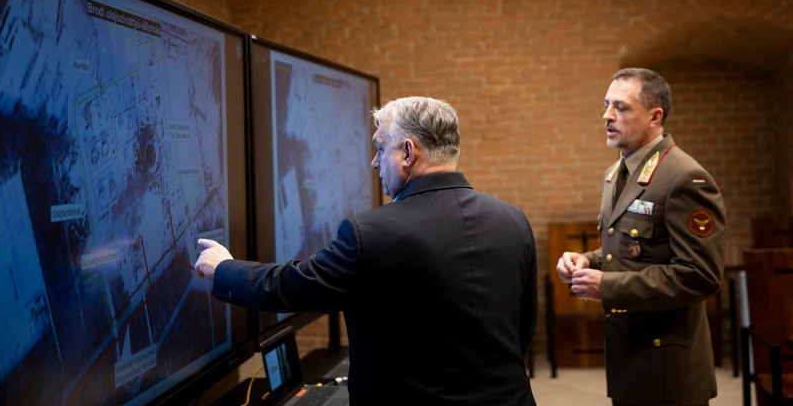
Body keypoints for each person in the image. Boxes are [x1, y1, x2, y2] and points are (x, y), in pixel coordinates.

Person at [195, 96, 538, 406]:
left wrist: (224, 268)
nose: (374, 162)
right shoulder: (513, 220)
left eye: (380, 148)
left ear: (407, 153)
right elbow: (522, 329)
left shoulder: (371, 233)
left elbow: (293, 286)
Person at [556, 68, 726, 406]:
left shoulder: (683, 177)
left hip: (667, 365)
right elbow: (631, 249)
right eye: (606, 105)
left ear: (654, 116)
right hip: (628, 355)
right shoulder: (614, 174)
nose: (607, 115)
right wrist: (586, 261)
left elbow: (701, 276)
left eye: (621, 107)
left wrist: (608, 286)